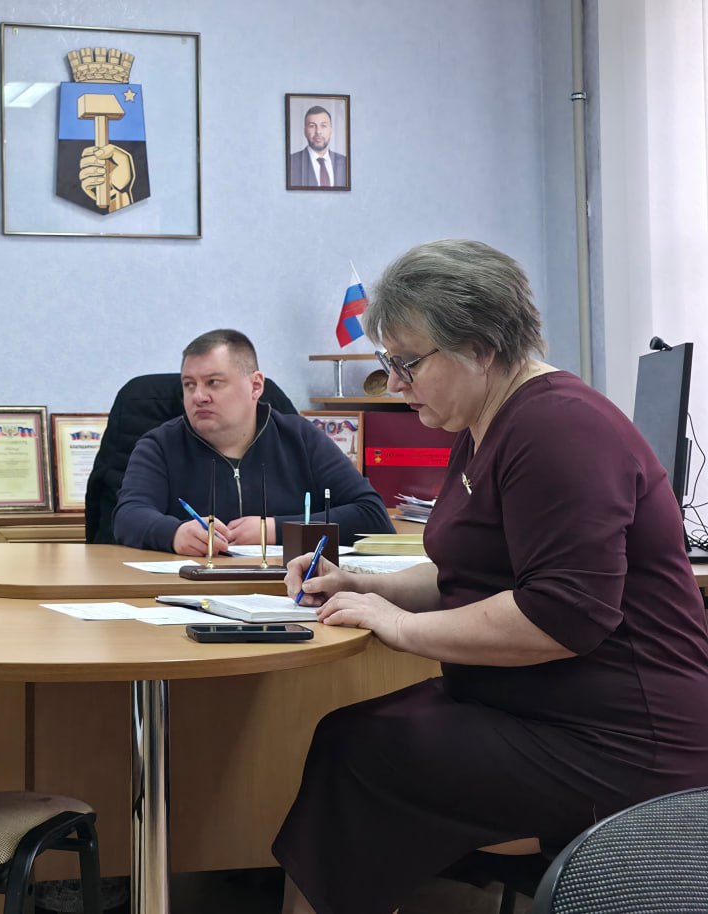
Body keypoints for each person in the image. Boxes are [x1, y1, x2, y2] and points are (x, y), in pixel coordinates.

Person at [272, 241, 708, 914]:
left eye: (408, 363)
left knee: (363, 754)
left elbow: (561, 616)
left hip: (621, 742)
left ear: (479, 347)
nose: (396, 384)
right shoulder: (489, 425)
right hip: (545, 710)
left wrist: (402, 627)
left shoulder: (558, 428)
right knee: (349, 740)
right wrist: (366, 585)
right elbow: (469, 571)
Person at [112, 329, 393, 555]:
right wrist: (174, 533)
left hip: (289, 588)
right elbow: (128, 516)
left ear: (256, 385)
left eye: (213, 382)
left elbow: (372, 516)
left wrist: (273, 530)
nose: (198, 396)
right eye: (189, 385)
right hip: (188, 588)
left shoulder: (300, 437)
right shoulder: (159, 445)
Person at [287, 105, 347, 188]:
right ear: (305, 131)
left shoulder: (345, 162)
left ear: (331, 130)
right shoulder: (291, 162)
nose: (318, 131)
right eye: (312, 126)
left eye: (323, 126)